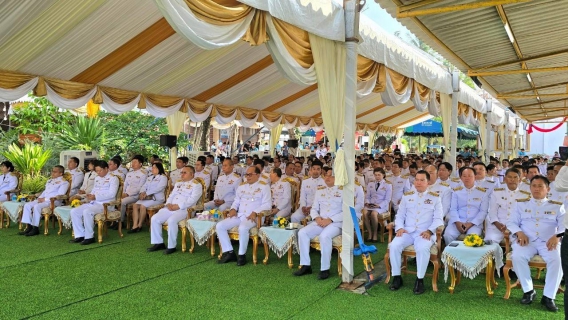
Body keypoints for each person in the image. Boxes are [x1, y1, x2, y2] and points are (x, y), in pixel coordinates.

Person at [507, 176, 564, 312]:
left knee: (557, 260)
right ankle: (529, 290)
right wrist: (519, 233)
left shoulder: (557, 206)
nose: (536, 189)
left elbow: (564, 225)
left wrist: (557, 236)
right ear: (530, 187)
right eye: (534, 186)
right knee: (517, 257)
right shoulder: (520, 204)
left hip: (548, 242)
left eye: (540, 186)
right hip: (527, 241)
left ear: (548, 189)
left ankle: (548, 296)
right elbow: (511, 222)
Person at [388, 170, 443, 294]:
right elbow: (400, 215)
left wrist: (430, 231)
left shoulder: (435, 198)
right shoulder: (407, 196)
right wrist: (399, 228)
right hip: (407, 231)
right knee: (394, 245)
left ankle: (420, 280)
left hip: (424, 232)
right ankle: (397, 277)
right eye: (416, 180)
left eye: (422, 180)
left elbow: (438, 218)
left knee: (423, 248)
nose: (418, 182)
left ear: (428, 182)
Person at [216, 166, 271, 266]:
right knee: (220, 226)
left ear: (258, 175)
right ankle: (229, 252)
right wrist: (233, 209)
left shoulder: (264, 187)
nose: (248, 177)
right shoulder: (242, 186)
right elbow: (236, 201)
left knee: (243, 228)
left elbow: (267, 204)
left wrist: (255, 212)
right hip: (240, 215)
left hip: (254, 217)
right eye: (246, 174)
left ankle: (242, 255)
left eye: (250, 174)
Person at [294, 167, 342, 280]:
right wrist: (317, 218)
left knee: (324, 236)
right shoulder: (320, 191)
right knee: (302, 233)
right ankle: (305, 265)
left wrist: (330, 220)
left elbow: (346, 211)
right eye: (326, 175)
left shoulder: (343, 190)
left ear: (337, 177)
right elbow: (314, 208)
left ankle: (325, 268)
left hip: (336, 223)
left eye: (331, 175)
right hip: (320, 221)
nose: (327, 178)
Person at [148, 166, 203, 254]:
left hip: (184, 209)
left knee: (172, 220)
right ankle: (158, 243)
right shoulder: (178, 183)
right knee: (155, 218)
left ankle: (171, 246)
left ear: (192, 174)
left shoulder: (196, 185)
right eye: (181, 172)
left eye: (185, 173)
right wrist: (168, 204)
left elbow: (192, 200)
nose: (182, 174)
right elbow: (171, 195)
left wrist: (178, 206)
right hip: (171, 207)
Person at [69, 161, 119, 245]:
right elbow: (94, 190)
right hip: (94, 203)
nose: (98, 173)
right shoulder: (97, 178)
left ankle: (89, 237)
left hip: (105, 204)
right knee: (74, 211)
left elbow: (112, 194)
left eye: (100, 170)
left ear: (106, 169)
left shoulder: (113, 178)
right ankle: (80, 235)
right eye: (97, 171)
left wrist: (96, 197)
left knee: (87, 211)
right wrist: (89, 196)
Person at [443, 167, 489, 244]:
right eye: (464, 176)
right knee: (448, 235)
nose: (467, 178)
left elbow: (483, 211)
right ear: (461, 177)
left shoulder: (482, 192)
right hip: (457, 221)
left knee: (472, 238)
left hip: (474, 223)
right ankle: (453, 255)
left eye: (470, 176)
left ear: (475, 177)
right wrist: (458, 223)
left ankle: (468, 255)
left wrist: (470, 224)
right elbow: (453, 209)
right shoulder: (456, 191)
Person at [20, 166, 69, 237]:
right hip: (44, 200)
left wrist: (45, 199)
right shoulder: (50, 180)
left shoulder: (64, 182)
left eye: (55, 172)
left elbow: (60, 195)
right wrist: (40, 198)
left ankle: (35, 228)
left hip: (53, 201)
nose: (52, 173)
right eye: (52, 171)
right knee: (27, 205)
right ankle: (29, 227)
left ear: (61, 173)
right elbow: (45, 192)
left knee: (37, 206)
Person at [485, 168, 526, 244]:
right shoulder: (497, 192)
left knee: (519, 244)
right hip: (498, 226)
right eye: (509, 177)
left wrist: (514, 228)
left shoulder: (525, 196)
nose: (512, 180)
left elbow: (524, 216)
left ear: (520, 180)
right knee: (490, 241)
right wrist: (498, 225)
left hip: (516, 227)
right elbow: (492, 211)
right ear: (505, 179)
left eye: (515, 177)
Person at [129, 163, 168, 233]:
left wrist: (146, 193)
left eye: (154, 168)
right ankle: (135, 225)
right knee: (135, 205)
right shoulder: (150, 177)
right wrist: (142, 193)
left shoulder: (163, 177)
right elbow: (144, 186)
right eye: (152, 168)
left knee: (142, 206)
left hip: (157, 199)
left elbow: (159, 188)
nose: (152, 169)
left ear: (159, 168)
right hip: (147, 198)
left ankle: (140, 225)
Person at [363, 168, 392, 243]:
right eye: (375, 175)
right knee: (364, 213)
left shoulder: (388, 185)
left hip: (381, 206)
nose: (377, 177)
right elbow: (367, 196)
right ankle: (370, 233)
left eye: (379, 175)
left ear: (383, 175)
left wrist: (379, 205)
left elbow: (387, 200)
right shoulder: (370, 184)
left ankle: (375, 233)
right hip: (371, 204)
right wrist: (367, 202)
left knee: (374, 214)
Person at [119, 155, 147, 225]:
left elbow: (140, 187)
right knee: (117, 200)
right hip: (126, 194)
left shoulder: (143, 174)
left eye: (135, 162)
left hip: (136, 195)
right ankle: (114, 220)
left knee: (122, 202)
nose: (133, 164)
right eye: (132, 162)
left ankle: (120, 221)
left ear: (140, 164)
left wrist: (128, 194)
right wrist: (123, 193)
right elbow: (125, 184)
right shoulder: (129, 173)